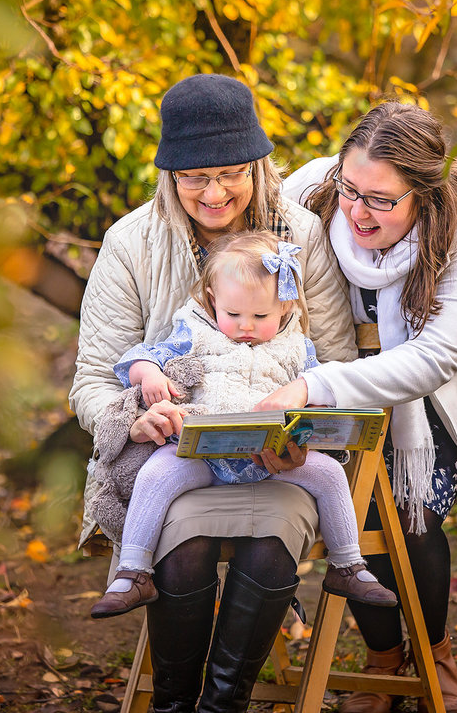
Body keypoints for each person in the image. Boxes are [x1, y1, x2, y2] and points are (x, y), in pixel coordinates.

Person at [259, 102, 457, 713]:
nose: (357, 209)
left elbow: (434, 358)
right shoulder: (312, 197)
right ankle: (383, 661)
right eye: (351, 189)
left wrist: (315, 388)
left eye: (381, 199)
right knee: (348, 508)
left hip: (444, 397)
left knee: (411, 512)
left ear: (422, 194)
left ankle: (433, 653)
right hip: (337, 372)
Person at [70, 73, 357, 713]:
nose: (214, 191)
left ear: (257, 165)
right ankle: (175, 704)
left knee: (272, 534)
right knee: (185, 543)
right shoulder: (131, 243)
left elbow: (339, 365)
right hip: (179, 459)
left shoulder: (301, 238)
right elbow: (91, 380)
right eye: (194, 176)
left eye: (230, 172)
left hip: (278, 463)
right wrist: (131, 417)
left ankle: (222, 706)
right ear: (169, 175)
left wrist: (302, 426)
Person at [89, 231, 396, 619]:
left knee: (331, 474)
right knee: (156, 473)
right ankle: (132, 572)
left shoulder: (296, 346)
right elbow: (141, 356)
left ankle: (347, 565)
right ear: (213, 300)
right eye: (233, 314)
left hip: (269, 460)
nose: (245, 326)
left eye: (260, 316)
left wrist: (313, 423)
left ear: (285, 308)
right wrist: (149, 375)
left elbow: (320, 391)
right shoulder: (195, 330)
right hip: (200, 454)